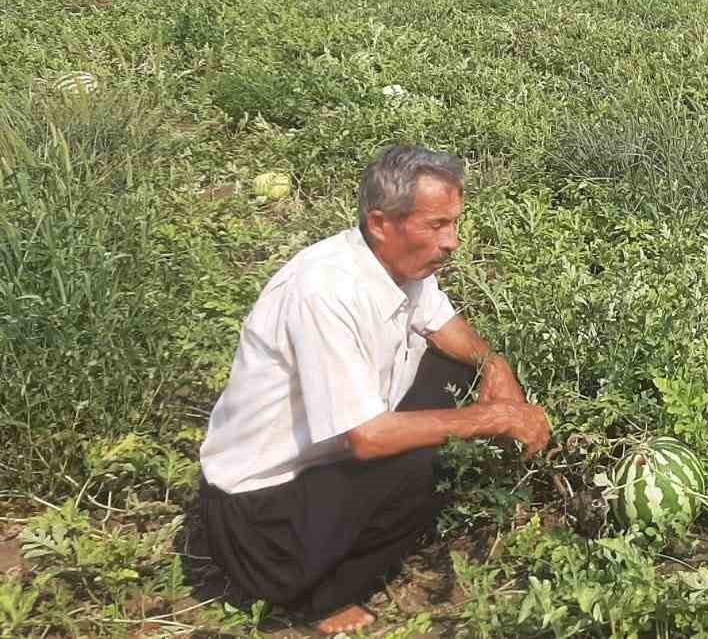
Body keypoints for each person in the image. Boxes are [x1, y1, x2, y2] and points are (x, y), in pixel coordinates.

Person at [196, 145, 551, 635]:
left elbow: (442, 323)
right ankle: (317, 596)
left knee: (457, 374)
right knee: (430, 459)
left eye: (454, 223)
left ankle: (345, 541)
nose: (453, 242)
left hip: (317, 469)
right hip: (261, 524)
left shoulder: (395, 263)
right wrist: (496, 418)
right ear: (381, 223)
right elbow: (366, 438)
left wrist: (495, 365)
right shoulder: (325, 291)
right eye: (436, 226)